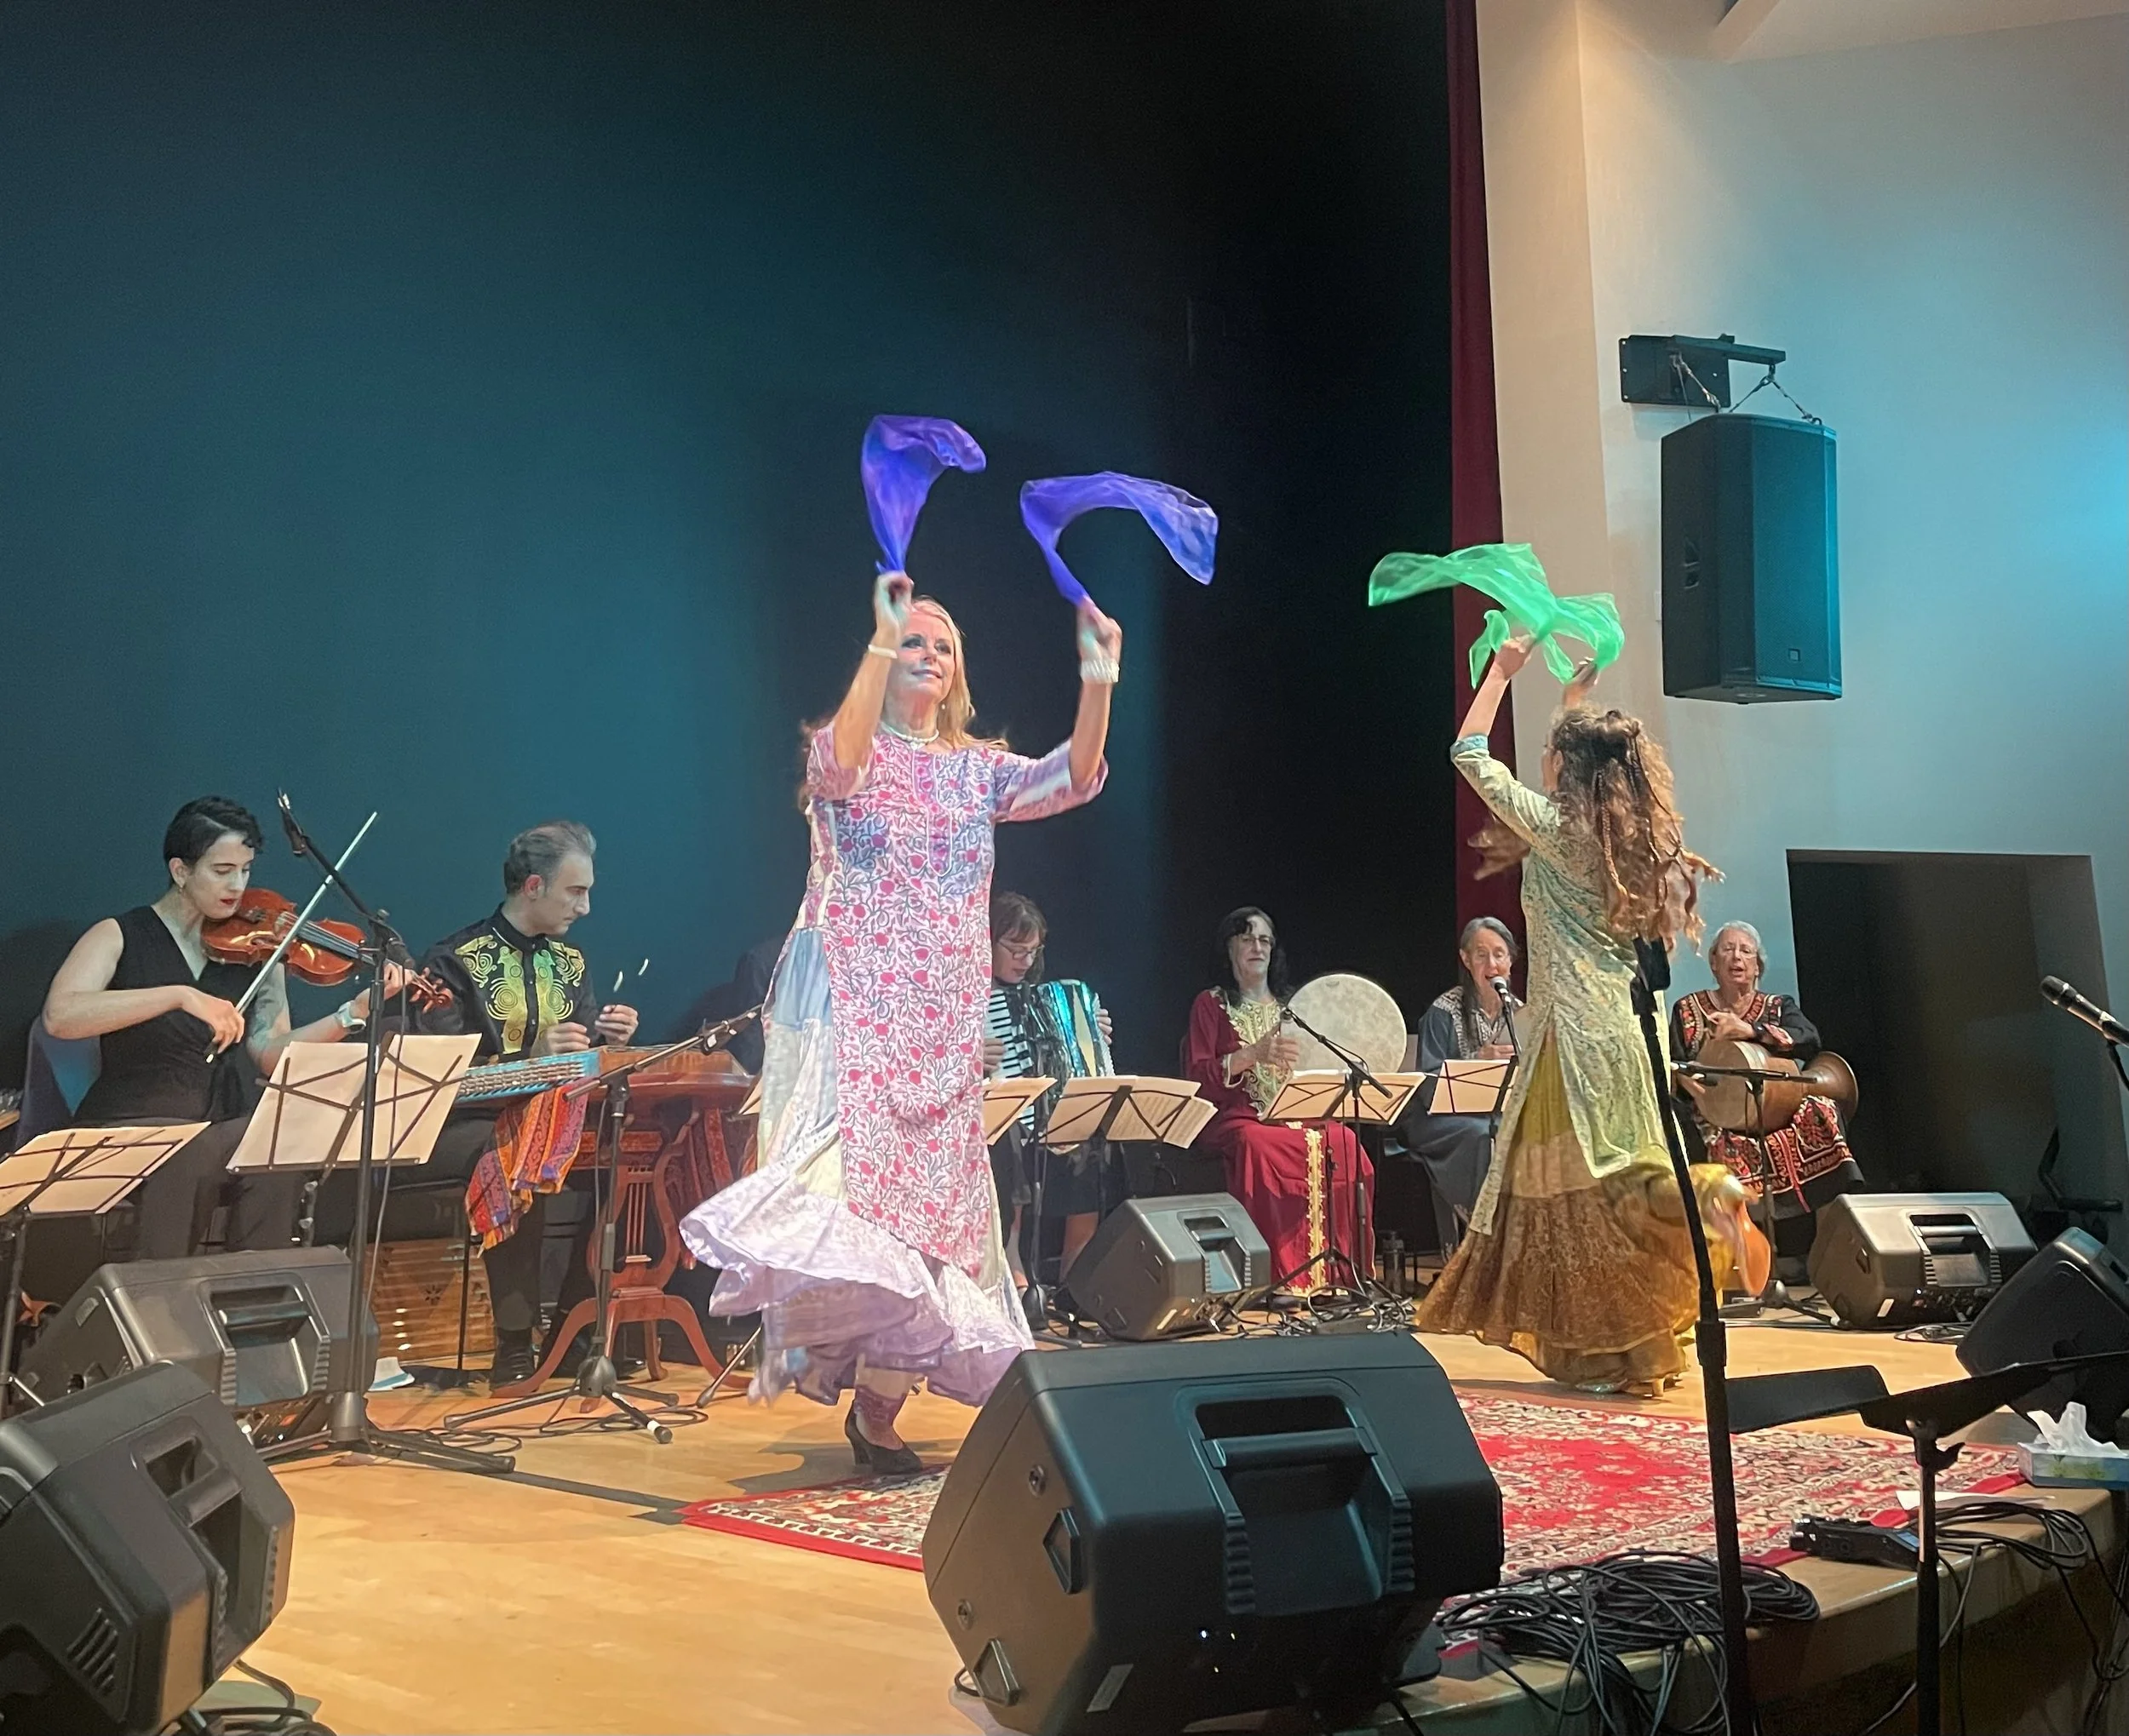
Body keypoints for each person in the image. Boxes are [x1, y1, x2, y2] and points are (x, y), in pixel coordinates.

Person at [682, 570, 1119, 1475]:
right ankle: (822, 1359)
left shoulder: (975, 769)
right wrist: (878, 641)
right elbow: (837, 765)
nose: (926, 654)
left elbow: (1073, 778)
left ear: (959, 674)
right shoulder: (846, 748)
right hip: (856, 1005)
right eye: (912, 641)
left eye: (941, 645)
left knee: (939, 1222)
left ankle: (879, 1409)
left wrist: (1098, 680)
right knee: (851, 1196)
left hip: (943, 1021)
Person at [1415, 641, 1763, 1396]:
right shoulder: (1633, 840)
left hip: (1569, 1038)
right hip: (1630, 1031)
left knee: (1578, 1197)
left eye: (1552, 753)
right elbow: (1578, 763)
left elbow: (1469, 751)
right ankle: (1629, 1338)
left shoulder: (1557, 829)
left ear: (1569, 772)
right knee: (1624, 1178)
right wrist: (1574, 698)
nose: (1543, 761)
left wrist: (1502, 674)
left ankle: (1706, 1198)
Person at [42, 796, 406, 1259]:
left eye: (247, 870)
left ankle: (255, 1290)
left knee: (277, 1145)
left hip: (212, 1125)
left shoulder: (258, 951)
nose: (238, 886)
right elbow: (61, 1016)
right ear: (180, 871)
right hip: (127, 1126)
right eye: (222, 870)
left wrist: (350, 1013)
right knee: (190, 1152)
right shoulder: (119, 934)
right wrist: (178, 995)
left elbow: (271, 1053)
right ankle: (158, 1296)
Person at [410, 820, 640, 1386]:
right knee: (516, 1147)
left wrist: (610, 1039)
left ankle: (577, 1324)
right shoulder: (455, 959)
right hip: (464, 1125)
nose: (585, 908)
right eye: (575, 892)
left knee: (631, 1149)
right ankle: (514, 1340)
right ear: (533, 886)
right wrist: (531, 1054)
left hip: (552, 1116)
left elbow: (578, 1062)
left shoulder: (571, 963)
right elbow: (437, 1074)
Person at [1181, 908, 1375, 1292]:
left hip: (1297, 1115)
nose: (1257, 947)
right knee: (1259, 1145)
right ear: (1230, 948)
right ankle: (1277, 1278)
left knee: (1346, 1141)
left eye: (1264, 939)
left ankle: (1342, 1273)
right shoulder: (1211, 1004)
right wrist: (1250, 1055)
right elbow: (1196, 1077)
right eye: (1247, 938)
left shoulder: (1296, 1007)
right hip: (1238, 1118)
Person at [1672, 920, 1862, 1261]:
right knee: (1699, 1130)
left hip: (1779, 1112)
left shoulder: (1777, 1006)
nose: (1737, 957)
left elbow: (1809, 1040)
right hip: (1716, 1114)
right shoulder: (1687, 1009)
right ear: (1714, 963)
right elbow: (1677, 1063)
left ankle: (1826, 1252)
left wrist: (1752, 1030)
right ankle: (1735, 1259)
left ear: (1757, 966)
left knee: (1822, 1111)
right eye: (1727, 950)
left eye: (1746, 951)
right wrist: (1690, 1085)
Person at [982, 891, 1119, 1305]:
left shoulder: (1049, 996)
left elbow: (1080, 1049)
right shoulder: (965, 998)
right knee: (1010, 1146)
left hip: (1050, 1114)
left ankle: (1076, 1273)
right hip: (992, 1115)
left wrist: (1091, 1033)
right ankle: (1015, 1265)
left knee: (1092, 1143)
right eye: (1015, 949)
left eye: (1033, 951)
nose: (1025, 961)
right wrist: (968, 1052)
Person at [1397, 916, 1520, 1253]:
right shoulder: (1444, 1011)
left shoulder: (1521, 1014)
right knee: (1482, 1136)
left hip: (1500, 1114)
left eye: (1499, 954)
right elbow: (1429, 1087)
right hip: (1440, 1120)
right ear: (1466, 961)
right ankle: (1482, 1245)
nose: (1491, 964)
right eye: (1481, 955)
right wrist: (1476, 1063)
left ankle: (1527, 1246)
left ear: (1510, 960)